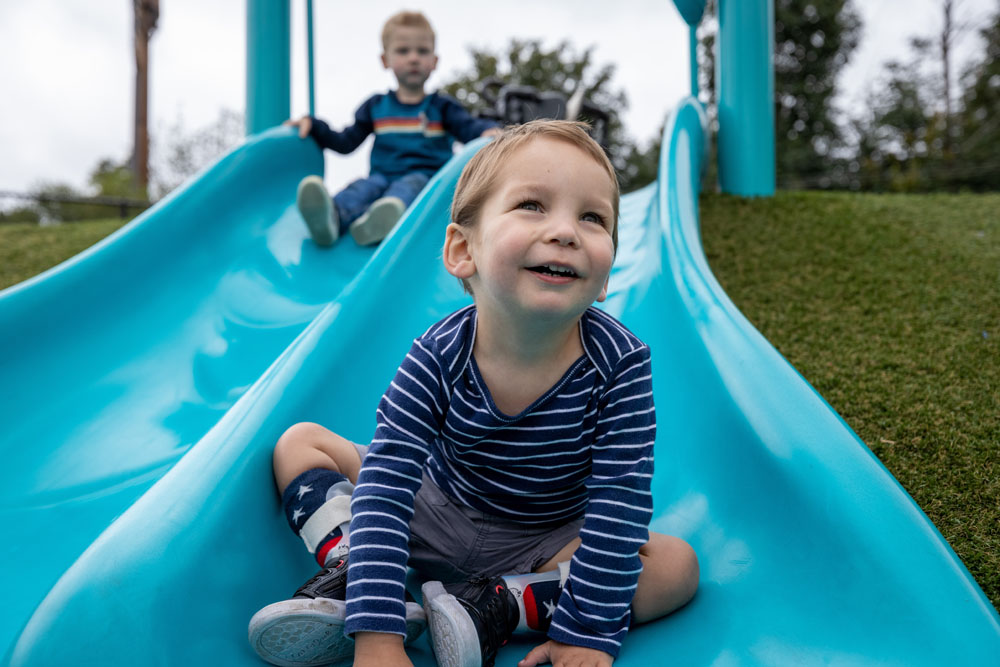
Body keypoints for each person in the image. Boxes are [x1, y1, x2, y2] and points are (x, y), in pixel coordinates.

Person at [248, 120, 700, 667]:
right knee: (300, 443)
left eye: (592, 217)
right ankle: (355, 572)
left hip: (544, 539)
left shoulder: (620, 364)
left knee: (675, 566)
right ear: (464, 250)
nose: (566, 231)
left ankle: (498, 606)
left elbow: (618, 501)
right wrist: (378, 636)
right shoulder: (436, 354)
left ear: (605, 276)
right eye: (533, 205)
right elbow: (389, 487)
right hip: (434, 508)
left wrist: (586, 632)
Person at [286, 10, 499, 248]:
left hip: (428, 184)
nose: (413, 58)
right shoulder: (376, 107)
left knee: (408, 187)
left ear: (434, 61)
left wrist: (489, 131)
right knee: (362, 188)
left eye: (422, 51)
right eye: (403, 51)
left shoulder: (442, 107)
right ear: (385, 60)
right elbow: (345, 142)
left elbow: (470, 128)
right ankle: (331, 218)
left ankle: (386, 220)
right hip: (382, 176)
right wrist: (314, 126)